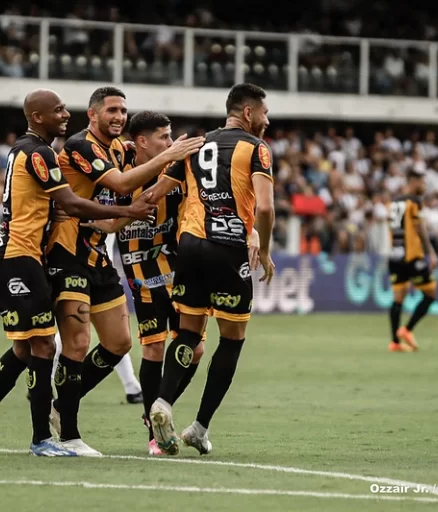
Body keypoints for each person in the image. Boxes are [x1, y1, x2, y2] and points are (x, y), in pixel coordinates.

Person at [0, 88, 158, 457]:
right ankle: (41, 439)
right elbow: (71, 202)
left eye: (65, 109)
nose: (66, 115)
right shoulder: (39, 151)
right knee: (45, 344)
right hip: (21, 257)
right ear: (37, 117)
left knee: (24, 348)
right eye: (58, 110)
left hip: (29, 257)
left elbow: (66, 203)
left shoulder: (31, 150)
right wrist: (126, 213)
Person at [81, 111, 256, 455]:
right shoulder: (124, 161)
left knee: (196, 349)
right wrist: (102, 223)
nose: (171, 141)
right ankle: (154, 432)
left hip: (178, 264)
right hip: (140, 265)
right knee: (153, 347)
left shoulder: (183, 164)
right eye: (164, 136)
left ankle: (161, 409)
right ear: (142, 141)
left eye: (171, 135)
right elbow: (121, 184)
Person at [45, 87, 205, 456]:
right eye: (112, 110)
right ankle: (70, 426)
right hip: (82, 257)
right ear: (93, 114)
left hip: (110, 259)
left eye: (123, 110)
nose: (118, 116)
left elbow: (124, 206)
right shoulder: (82, 146)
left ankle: (146, 408)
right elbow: (122, 189)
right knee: (90, 345)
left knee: (122, 343)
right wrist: (171, 158)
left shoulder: (122, 150)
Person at [139, 83, 277, 455]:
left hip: (189, 247)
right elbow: (264, 208)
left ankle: (162, 403)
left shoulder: (194, 146)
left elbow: (153, 194)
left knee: (188, 334)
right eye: (264, 113)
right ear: (247, 113)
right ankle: (199, 427)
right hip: (228, 248)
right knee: (231, 340)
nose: (267, 119)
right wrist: (263, 250)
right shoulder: (257, 148)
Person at [386, 169, 438, 352]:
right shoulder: (414, 202)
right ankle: (407, 330)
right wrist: (430, 253)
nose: (423, 186)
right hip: (411, 257)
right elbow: (420, 228)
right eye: (422, 182)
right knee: (431, 293)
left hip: (394, 256)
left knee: (398, 299)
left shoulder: (393, 202)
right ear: (413, 181)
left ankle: (394, 342)